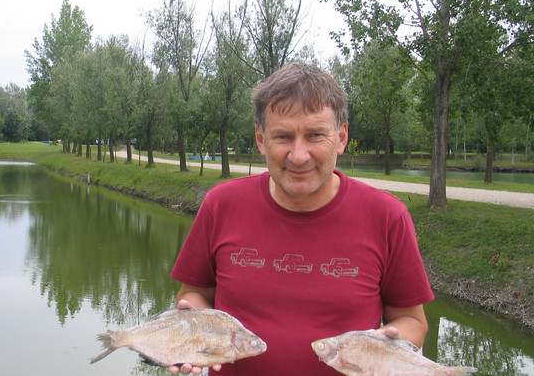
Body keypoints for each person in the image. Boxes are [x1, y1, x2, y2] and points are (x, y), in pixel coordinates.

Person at [168, 63, 434, 375]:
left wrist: (384, 346)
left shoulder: (387, 216)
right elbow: (192, 293)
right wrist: (193, 331)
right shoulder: (221, 204)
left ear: (342, 137)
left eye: (314, 135)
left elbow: (413, 321)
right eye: (282, 136)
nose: (298, 155)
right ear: (260, 139)